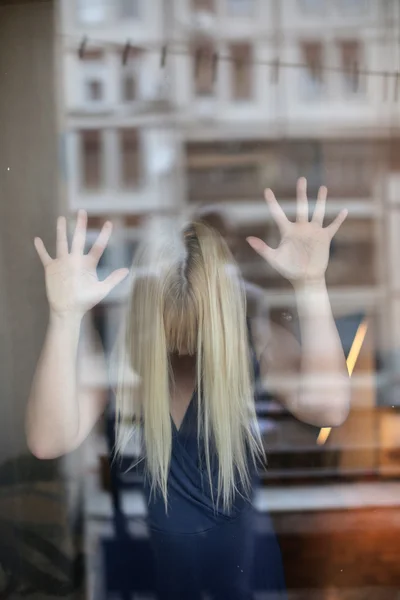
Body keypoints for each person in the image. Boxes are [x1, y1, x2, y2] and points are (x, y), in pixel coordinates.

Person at [26, 178, 350, 599]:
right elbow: (49, 440)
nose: (186, 342)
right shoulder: (116, 354)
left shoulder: (256, 339)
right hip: (146, 575)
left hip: (243, 576)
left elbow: (328, 409)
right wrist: (65, 317)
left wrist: (310, 286)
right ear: (149, 305)